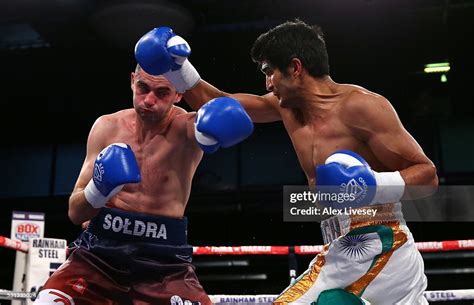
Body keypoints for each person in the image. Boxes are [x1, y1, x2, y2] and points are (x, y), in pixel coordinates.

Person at [134, 20, 439, 305]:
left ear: (295, 67)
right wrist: (179, 69)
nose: (267, 84)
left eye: (270, 72)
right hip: (343, 245)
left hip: (380, 241)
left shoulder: (363, 107)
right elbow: (223, 104)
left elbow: (427, 175)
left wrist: (371, 185)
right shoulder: (287, 110)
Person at [33, 64, 254, 305]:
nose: (149, 100)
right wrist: (98, 190)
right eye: (143, 88)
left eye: (162, 93)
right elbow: (75, 212)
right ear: (132, 81)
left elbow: (226, 114)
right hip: (98, 256)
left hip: (165, 264)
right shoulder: (107, 127)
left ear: (178, 94)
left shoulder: (188, 128)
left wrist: (216, 125)